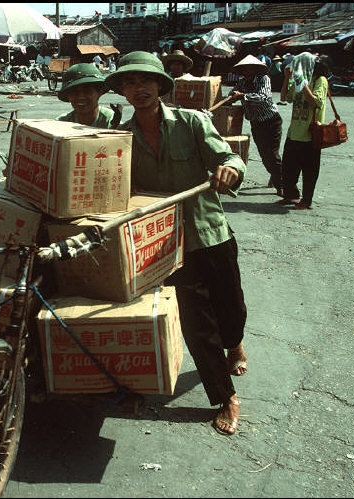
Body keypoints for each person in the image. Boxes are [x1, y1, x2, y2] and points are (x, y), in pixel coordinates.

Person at [104, 51, 249, 436]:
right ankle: (225, 396)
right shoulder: (122, 137)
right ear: (122, 90)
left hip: (209, 231)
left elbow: (230, 156)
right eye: (130, 83)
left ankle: (235, 344)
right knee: (197, 323)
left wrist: (230, 169)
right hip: (165, 242)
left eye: (145, 81)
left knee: (231, 308)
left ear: (160, 86)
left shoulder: (192, 121)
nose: (138, 89)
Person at [228, 54, 284, 197]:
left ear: (255, 70)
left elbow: (264, 97)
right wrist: (230, 98)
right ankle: (275, 174)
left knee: (272, 154)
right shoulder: (242, 83)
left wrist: (243, 96)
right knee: (264, 156)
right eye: (244, 70)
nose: (247, 73)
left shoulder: (264, 79)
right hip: (256, 123)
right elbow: (232, 94)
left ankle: (281, 185)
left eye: (250, 70)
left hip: (271, 121)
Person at [278, 53, 329, 210]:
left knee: (309, 170)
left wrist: (303, 83)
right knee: (288, 168)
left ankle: (306, 200)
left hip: (310, 135)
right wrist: (287, 78)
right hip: (294, 133)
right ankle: (291, 195)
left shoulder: (320, 80)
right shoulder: (298, 81)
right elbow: (285, 97)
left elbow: (315, 103)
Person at [56, 63, 120, 129]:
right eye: (75, 92)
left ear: (99, 93)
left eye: (87, 91)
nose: (81, 97)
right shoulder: (62, 124)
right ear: (68, 96)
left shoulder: (111, 121)